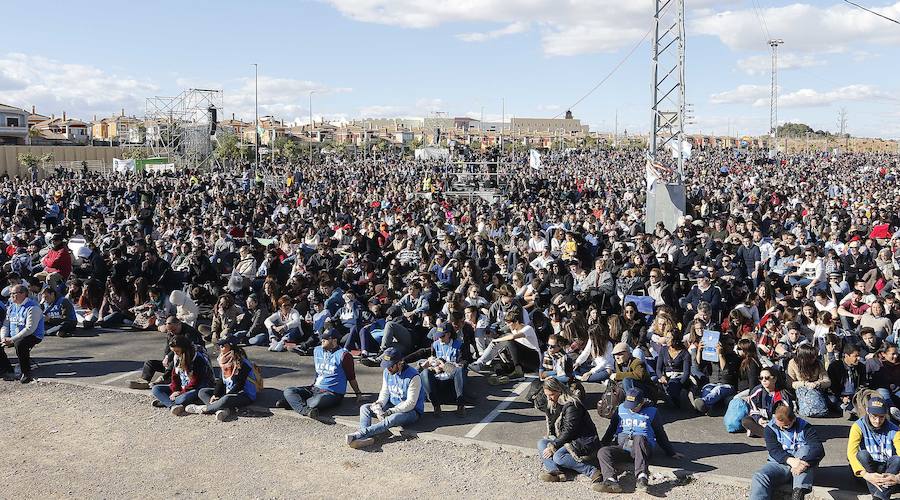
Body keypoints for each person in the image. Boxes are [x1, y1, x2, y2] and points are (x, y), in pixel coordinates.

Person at [594, 387, 682, 493]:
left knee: (639, 437)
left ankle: (642, 478)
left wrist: (670, 452)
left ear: (641, 402)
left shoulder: (652, 412)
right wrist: (603, 444)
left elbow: (660, 434)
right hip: (623, 448)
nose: (631, 409)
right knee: (603, 452)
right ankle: (610, 481)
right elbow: (611, 429)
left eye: (634, 406)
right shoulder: (621, 409)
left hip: (642, 449)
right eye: (629, 405)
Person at [346, 347, 424, 449]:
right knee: (365, 408)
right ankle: (366, 438)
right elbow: (385, 392)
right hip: (392, 406)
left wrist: (391, 411)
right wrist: (379, 404)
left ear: (400, 363)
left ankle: (360, 434)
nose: (388, 368)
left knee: (393, 418)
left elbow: (410, 403)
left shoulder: (414, 376)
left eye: (390, 366)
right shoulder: (387, 372)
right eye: (386, 366)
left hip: (411, 412)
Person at [277, 328, 363, 419]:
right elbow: (318, 372)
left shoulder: (344, 355)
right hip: (315, 388)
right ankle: (305, 410)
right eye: (322, 338)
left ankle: (294, 403)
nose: (322, 340)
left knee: (315, 402)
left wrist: (358, 393)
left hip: (332, 393)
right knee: (289, 391)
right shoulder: (317, 350)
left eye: (325, 339)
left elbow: (351, 376)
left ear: (334, 341)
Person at [749, 405, 825, 500]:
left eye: (785, 426)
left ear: (793, 419)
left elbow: (818, 449)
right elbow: (774, 450)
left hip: (802, 465)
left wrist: (805, 463)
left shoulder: (805, 427)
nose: (781, 428)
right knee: (759, 476)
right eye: (778, 425)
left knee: (806, 449)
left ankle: (798, 493)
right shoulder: (770, 428)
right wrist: (790, 460)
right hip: (780, 464)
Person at [536, 377, 602, 485]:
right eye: (547, 395)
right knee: (541, 443)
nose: (549, 398)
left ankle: (592, 471)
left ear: (559, 391)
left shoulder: (572, 405)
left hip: (583, 440)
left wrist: (554, 444)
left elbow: (569, 430)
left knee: (558, 457)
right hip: (567, 439)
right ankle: (557, 472)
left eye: (551, 395)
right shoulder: (553, 403)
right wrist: (551, 440)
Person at [183, 337, 260, 421]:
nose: (220, 347)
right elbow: (221, 380)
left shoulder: (241, 362)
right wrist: (215, 395)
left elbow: (239, 385)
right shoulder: (224, 360)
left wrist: (223, 397)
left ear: (231, 346)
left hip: (244, 394)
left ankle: (204, 409)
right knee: (202, 392)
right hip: (228, 390)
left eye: (223, 345)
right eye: (219, 345)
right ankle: (222, 409)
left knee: (226, 399)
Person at [128, 316, 204, 390]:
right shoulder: (171, 332)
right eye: (169, 330)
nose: (172, 332)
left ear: (179, 324)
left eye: (173, 330)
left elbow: (184, 349)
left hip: (188, 361)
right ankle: (144, 380)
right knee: (150, 363)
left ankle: (165, 378)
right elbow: (168, 347)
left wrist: (169, 358)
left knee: (175, 361)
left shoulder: (189, 333)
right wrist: (166, 358)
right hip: (174, 360)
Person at [847, 397, 900, 500]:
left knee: (897, 459)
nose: (877, 421)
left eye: (881, 417)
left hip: (887, 472)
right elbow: (851, 453)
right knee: (862, 454)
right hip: (867, 472)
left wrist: (897, 478)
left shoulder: (895, 430)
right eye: (874, 416)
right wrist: (866, 475)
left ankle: (879, 497)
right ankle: (882, 495)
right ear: (867, 411)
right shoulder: (858, 426)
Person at [468, 309, 541, 384]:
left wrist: (496, 340)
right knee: (498, 367)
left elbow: (512, 337)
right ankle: (501, 376)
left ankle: (517, 371)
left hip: (534, 360)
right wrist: (493, 336)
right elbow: (499, 335)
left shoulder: (527, 328)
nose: (508, 325)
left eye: (509, 323)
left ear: (516, 322)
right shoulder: (513, 329)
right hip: (524, 364)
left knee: (509, 340)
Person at [151, 334, 213, 412]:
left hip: (196, 388)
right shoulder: (177, 358)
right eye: (173, 352)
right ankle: (172, 405)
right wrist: (175, 390)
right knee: (156, 389)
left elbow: (195, 381)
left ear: (184, 349)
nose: (176, 354)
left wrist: (180, 393)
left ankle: (167, 402)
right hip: (182, 386)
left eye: (177, 351)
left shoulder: (197, 359)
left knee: (182, 399)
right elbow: (175, 376)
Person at [417, 322, 467, 417]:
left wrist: (444, 366)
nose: (440, 339)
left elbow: (461, 365)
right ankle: (436, 406)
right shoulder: (435, 345)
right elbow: (433, 360)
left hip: (452, 376)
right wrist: (431, 365)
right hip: (438, 376)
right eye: (438, 336)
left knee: (459, 371)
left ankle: (461, 405)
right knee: (425, 372)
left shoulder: (459, 345)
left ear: (448, 334)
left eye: (442, 336)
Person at [0, 285, 45, 383]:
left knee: (20, 344)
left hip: (32, 335)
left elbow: (30, 329)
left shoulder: (33, 307)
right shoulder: (11, 307)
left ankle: (26, 373)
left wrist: (12, 339)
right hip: (13, 335)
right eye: (10, 294)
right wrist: (3, 337)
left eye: (13, 293)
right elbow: (6, 324)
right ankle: (6, 369)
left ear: (23, 294)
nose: (11, 296)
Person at [743, 367, 793, 438]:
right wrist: (759, 419)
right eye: (761, 378)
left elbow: (787, 415)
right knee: (746, 421)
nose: (763, 380)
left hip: (777, 423)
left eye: (767, 378)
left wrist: (774, 422)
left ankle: (765, 434)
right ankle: (771, 435)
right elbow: (753, 411)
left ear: (774, 379)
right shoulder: (756, 391)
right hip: (763, 421)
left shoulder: (783, 395)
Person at [825, 343, 868, 417]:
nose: (858, 358)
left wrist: (857, 395)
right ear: (846, 356)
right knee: (832, 400)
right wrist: (842, 398)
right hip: (838, 395)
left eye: (859, 356)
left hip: (853, 395)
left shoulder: (861, 367)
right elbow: (832, 387)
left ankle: (852, 411)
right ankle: (847, 410)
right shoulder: (835, 366)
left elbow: (862, 384)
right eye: (855, 356)